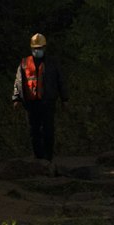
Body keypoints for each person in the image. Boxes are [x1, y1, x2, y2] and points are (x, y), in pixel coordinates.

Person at [12, 32, 68, 170]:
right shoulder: (24, 63)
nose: (38, 50)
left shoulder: (53, 64)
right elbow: (19, 82)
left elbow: (61, 81)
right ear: (31, 48)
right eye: (35, 48)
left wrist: (64, 99)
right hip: (31, 104)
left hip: (48, 102)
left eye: (40, 47)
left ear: (45, 47)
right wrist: (16, 98)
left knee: (48, 130)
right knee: (34, 131)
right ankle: (38, 158)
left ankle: (48, 159)